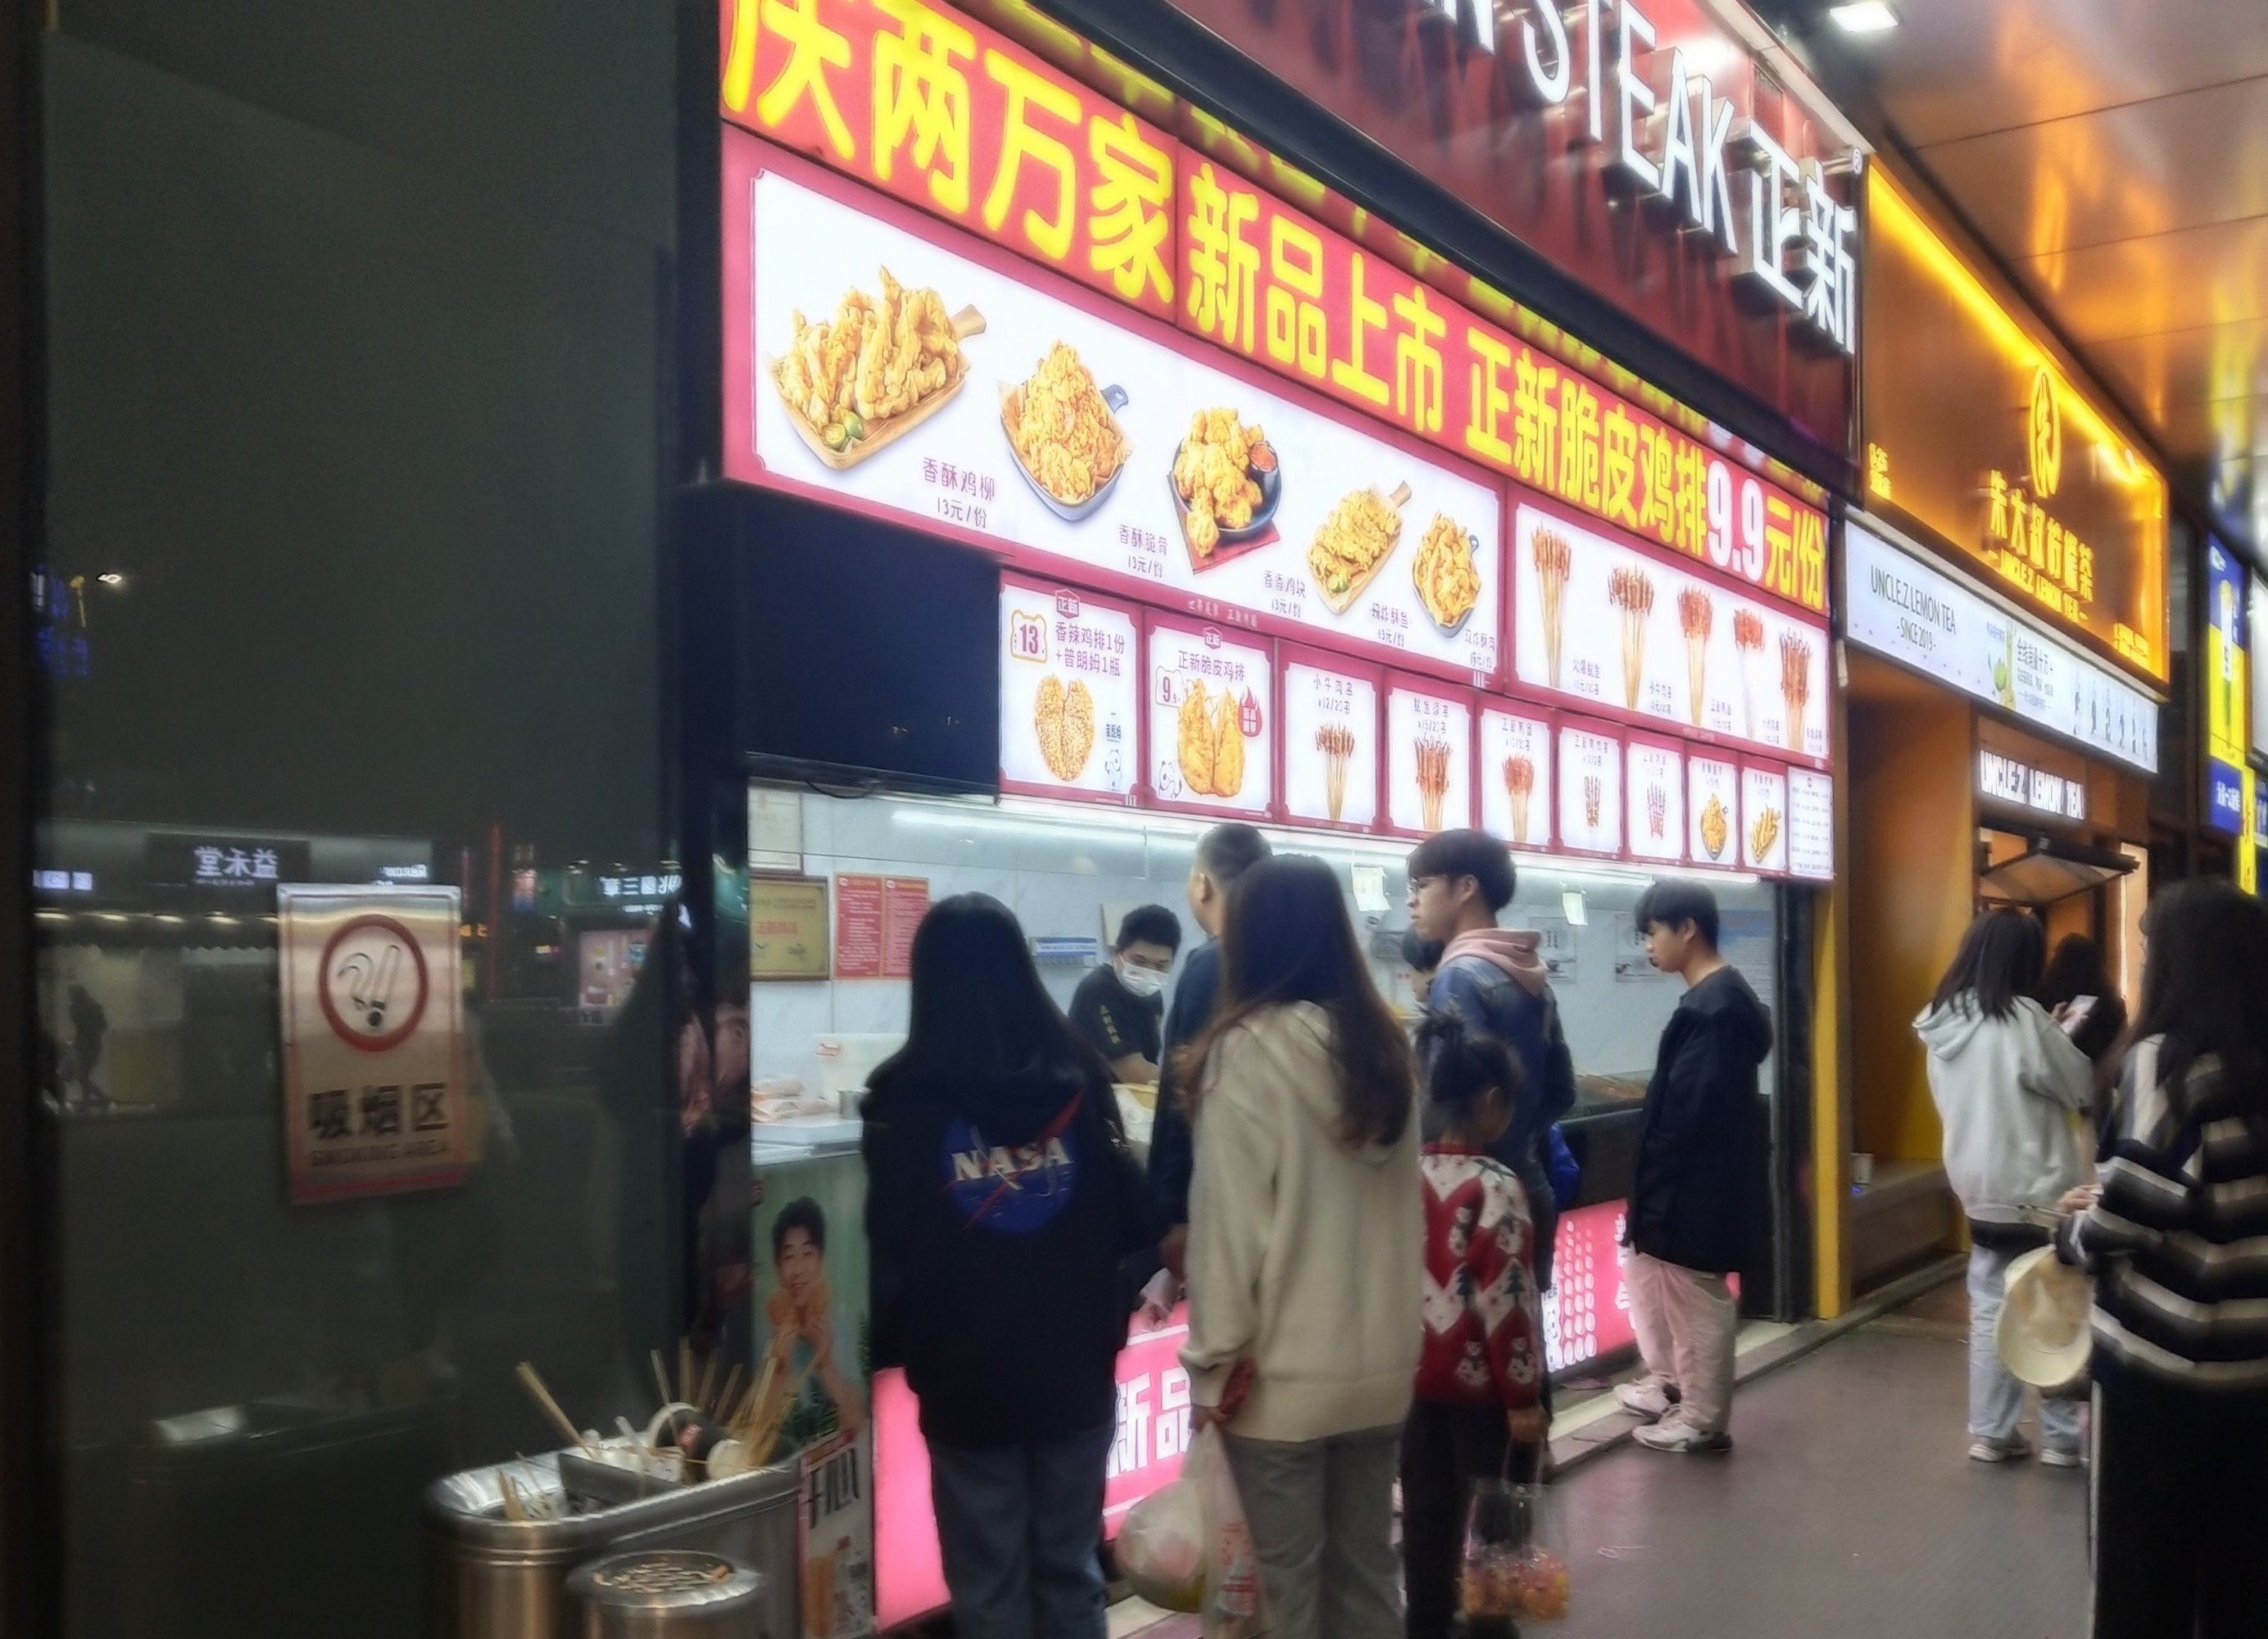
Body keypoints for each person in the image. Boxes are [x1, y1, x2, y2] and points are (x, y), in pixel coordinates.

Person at [863, 894, 1145, 1639]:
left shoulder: (902, 1101)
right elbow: (1126, 1219)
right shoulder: (1080, 1079)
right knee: (1072, 1576)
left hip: (965, 1376)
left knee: (989, 1593)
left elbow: (888, 1235)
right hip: (1073, 1367)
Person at [1181, 855, 1420, 1639]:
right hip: (1380, 1375)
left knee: (1278, 1600)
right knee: (1367, 1583)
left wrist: (1212, 1365)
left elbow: (1229, 1232)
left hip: (1278, 1386)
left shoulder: (1246, 1050)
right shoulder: (1385, 1050)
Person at [2053, 881, 2268, 1637]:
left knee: (2141, 1586)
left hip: (2159, 1375)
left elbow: (2132, 1214)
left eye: (2149, 949)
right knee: (2242, 1581)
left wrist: (2072, 1233)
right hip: (2253, 1372)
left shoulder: (2166, 1064)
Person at [1915, 907, 2092, 1466]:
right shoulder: (2025, 1021)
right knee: (2053, 1304)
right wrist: (2056, 1033)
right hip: (2040, 1190)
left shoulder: (1940, 1021)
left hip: (1978, 1187)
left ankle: (1993, 1432)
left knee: (1991, 1303)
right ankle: (2062, 1439)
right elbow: (2080, 1085)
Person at [1401, 1010, 1546, 1639]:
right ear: (1491, 1101)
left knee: (1426, 1510)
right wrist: (1523, 1396)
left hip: (1412, 1382)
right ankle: (1491, 1626)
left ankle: (1426, 1619)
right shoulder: (1497, 1186)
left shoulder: (1404, 1177)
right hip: (1482, 1389)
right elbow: (1507, 1301)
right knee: (1498, 1508)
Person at [1617, 881, 1773, 1455]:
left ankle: (1703, 1418)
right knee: (1652, 1278)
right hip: (1679, 1184)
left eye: (1653, 932)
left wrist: (1661, 1182)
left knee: (1695, 1297)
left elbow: (1692, 1113)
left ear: (1687, 929)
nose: (1648, 945)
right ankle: (1670, 1385)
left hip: (1693, 1186)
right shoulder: (1713, 1001)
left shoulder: (1716, 1008)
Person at [1405, 829, 1576, 1289]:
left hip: (1471, 1203)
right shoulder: (1531, 975)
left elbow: (1447, 1107)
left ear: (1466, 887)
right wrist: (1520, 1135)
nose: (1412, 901)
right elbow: (1562, 1090)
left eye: (1422, 885)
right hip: (1529, 1185)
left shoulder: (1458, 976)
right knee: (1520, 1325)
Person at [1150, 824, 1272, 1280]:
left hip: (1219, 1193)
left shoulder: (1211, 964)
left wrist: (1174, 1210)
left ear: (1202, 885)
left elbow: (1186, 1088)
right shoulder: (1288, 962)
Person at [765, 1197, 866, 1444]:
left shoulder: (842, 1325)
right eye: (789, 1257)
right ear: (778, 1270)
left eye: (807, 1254)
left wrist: (826, 1363)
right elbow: (753, 1435)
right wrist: (781, 1370)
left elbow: (856, 1424)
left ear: (821, 1263)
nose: (798, 1269)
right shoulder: (765, 1337)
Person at [1068, 904, 1182, 1084]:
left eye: (1161, 966)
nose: (1149, 973)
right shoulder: (1098, 991)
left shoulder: (1153, 994)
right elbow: (1134, 1074)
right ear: (1117, 953)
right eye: (1139, 962)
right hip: (1094, 1097)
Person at [2036, 932, 2129, 1137]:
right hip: (2097, 1094)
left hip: (2054, 1096)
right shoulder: (2112, 1004)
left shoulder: (2042, 998)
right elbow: (2120, 1047)